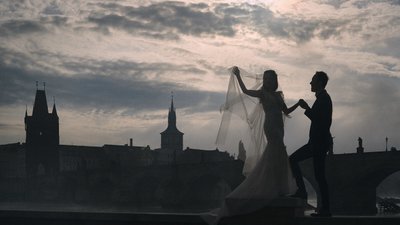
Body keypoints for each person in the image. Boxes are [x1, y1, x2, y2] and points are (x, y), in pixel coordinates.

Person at [204, 67, 301, 224]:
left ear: (275, 81)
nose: (268, 81)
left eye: (271, 78)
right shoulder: (262, 94)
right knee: (274, 151)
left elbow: (286, 111)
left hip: (279, 127)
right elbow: (245, 91)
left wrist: (298, 104)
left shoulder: (278, 95)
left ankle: (277, 187)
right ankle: (272, 185)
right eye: (266, 78)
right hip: (270, 126)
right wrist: (238, 76)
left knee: (279, 153)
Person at [289, 71, 333, 217]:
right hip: (317, 142)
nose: (310, 83)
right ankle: (320, 205)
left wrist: (307, 108)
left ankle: (303, 192)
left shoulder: (324, 99)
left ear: (319, 82)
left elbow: (320, 121)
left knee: (294, 160)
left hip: (318, 143)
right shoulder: (322, 98)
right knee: (319, 176)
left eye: (312, 80)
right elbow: (320, 119)